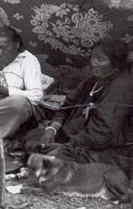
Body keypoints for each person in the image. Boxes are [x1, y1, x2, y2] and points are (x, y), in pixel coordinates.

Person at [36, 37, 132, 171]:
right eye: (93, 57)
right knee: (34, 140)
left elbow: (100, 135)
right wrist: (51, 130)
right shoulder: (92, 81)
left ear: (116, 64)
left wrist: (68, 145)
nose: (94, 63)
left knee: (47, 162)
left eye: (101, 59)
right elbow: (65, 107)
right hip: (75, 138)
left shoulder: (121, 87)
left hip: (105, 149)